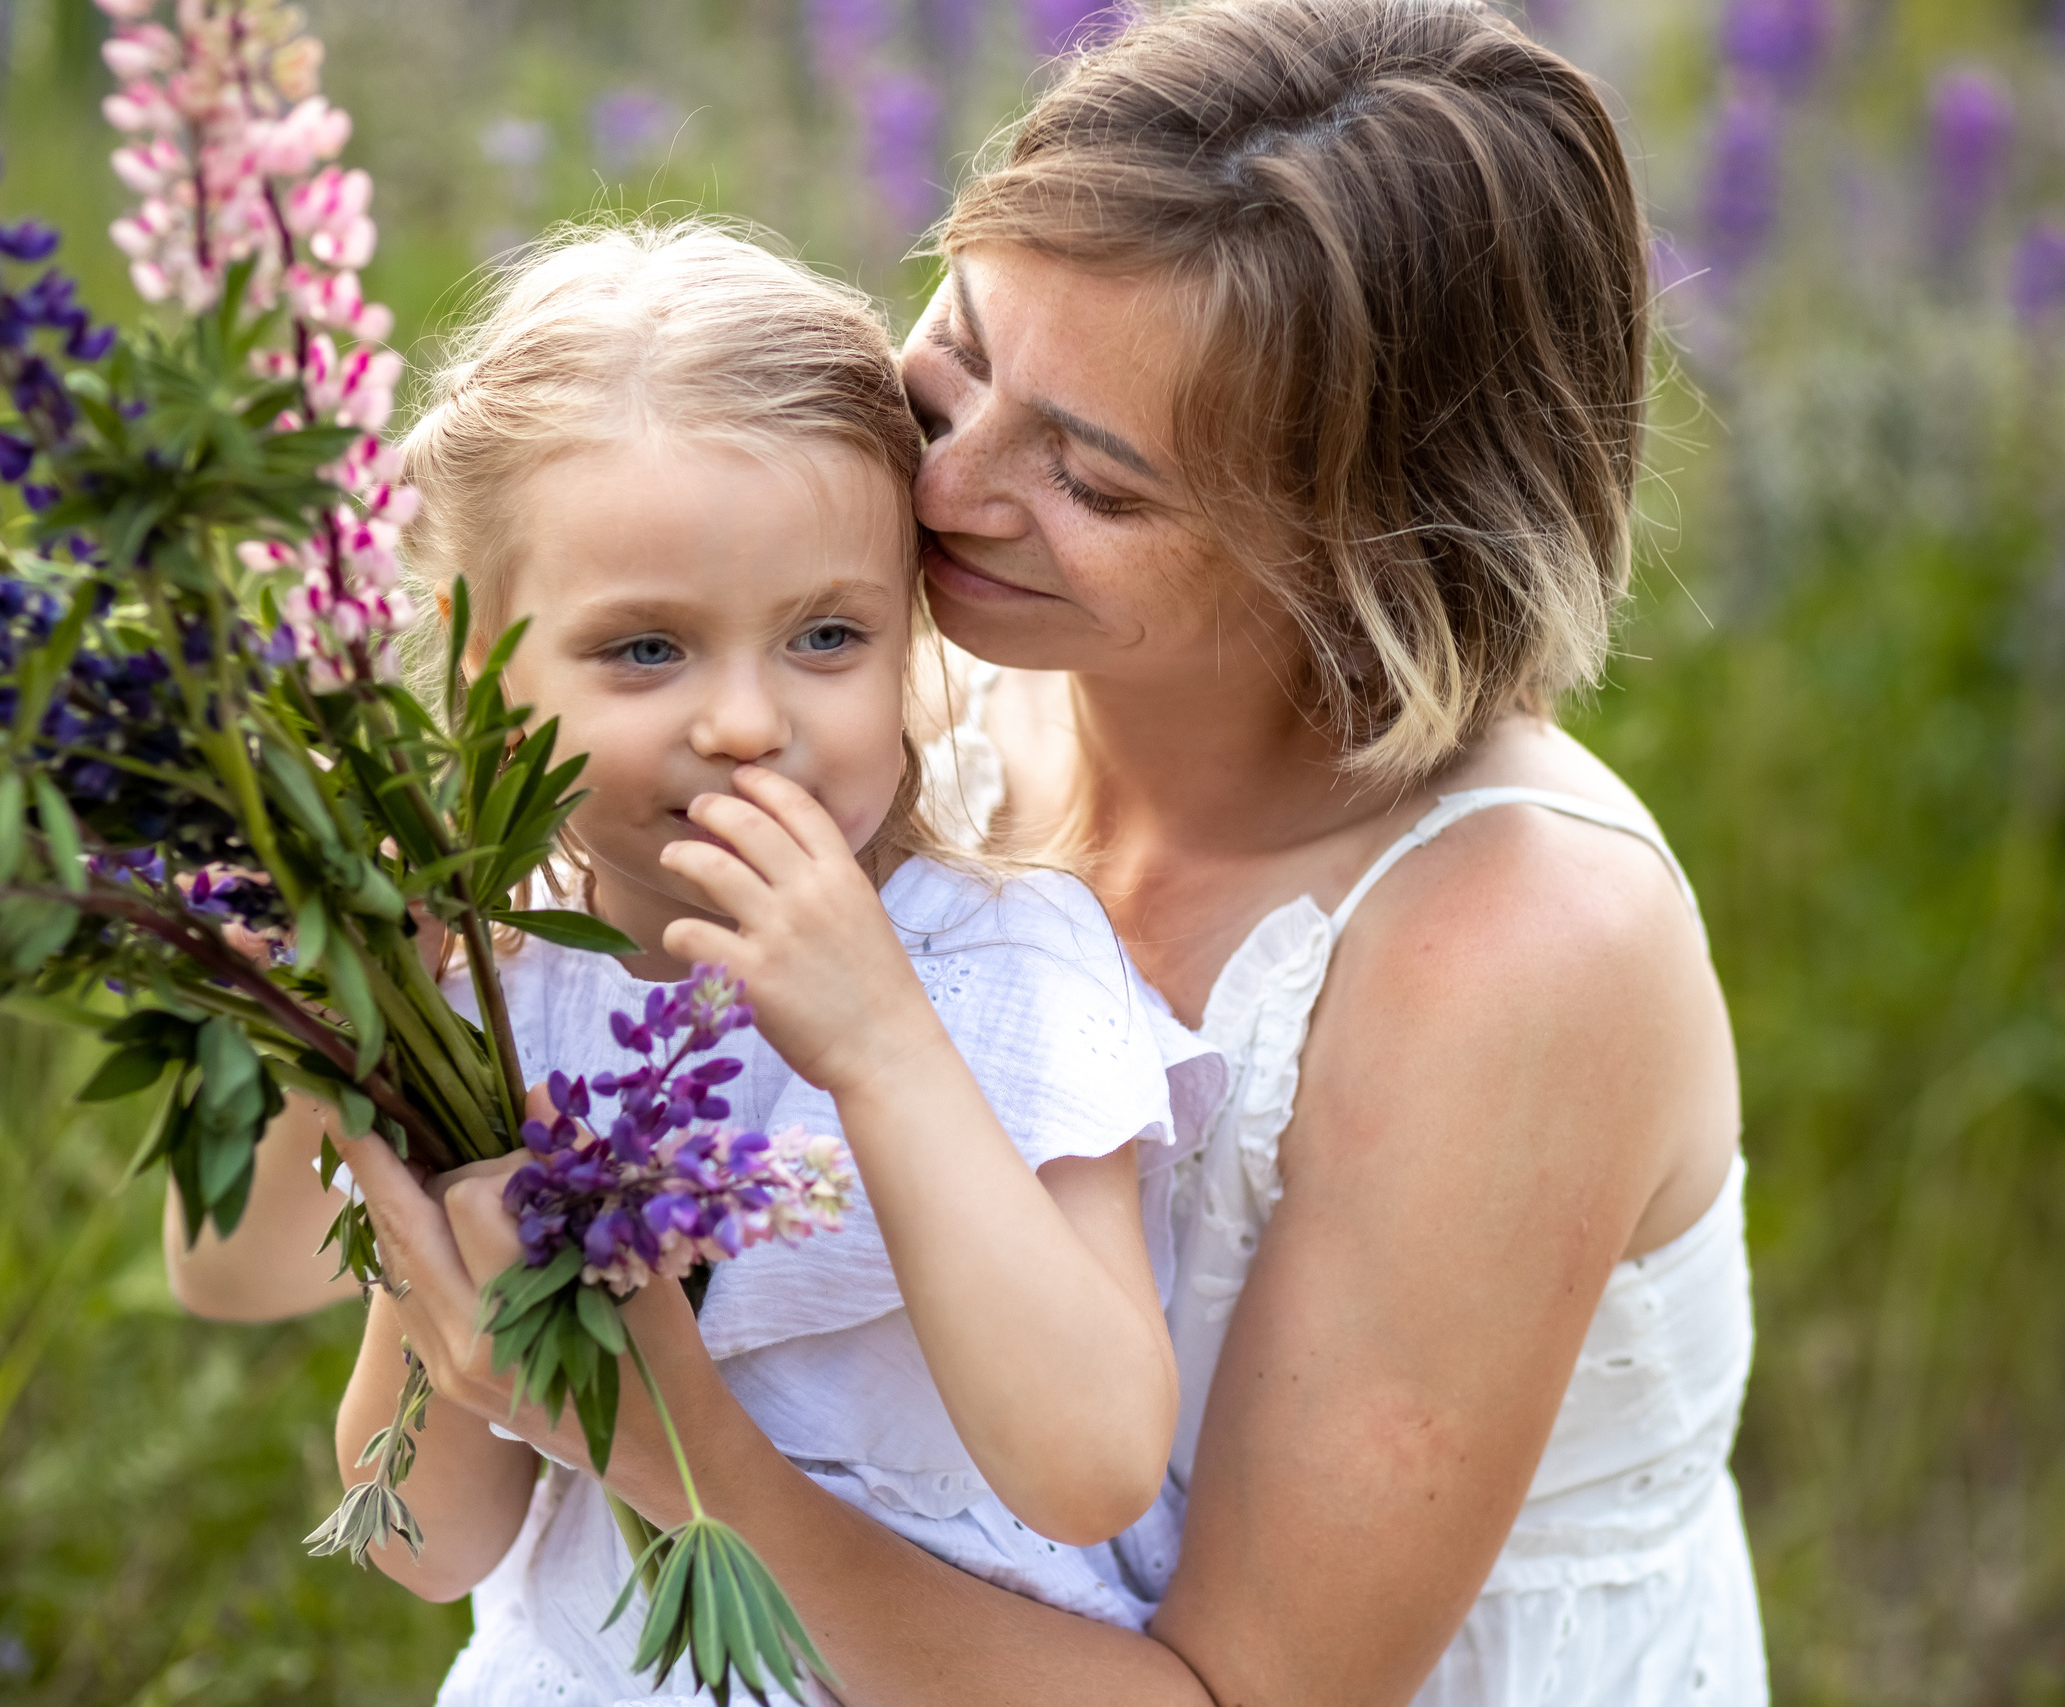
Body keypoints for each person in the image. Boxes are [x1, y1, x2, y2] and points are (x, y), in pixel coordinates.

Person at [339, 3, 1767, 1704]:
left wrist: (667, 1455)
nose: (940, 482)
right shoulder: (884, 710)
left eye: (1090, 477)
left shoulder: (1519, 948)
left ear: (1368, 554)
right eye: (961, 347)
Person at [174, 222, 1222, 1702]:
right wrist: (346, 1022)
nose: (745, 720)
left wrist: (878, 1047)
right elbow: (421, 1534)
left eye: (828, 636)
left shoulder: (1005, 964)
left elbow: (1094, 1470)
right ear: (478, 670)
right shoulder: (489, 984)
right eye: (648, 651)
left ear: (910, 636)